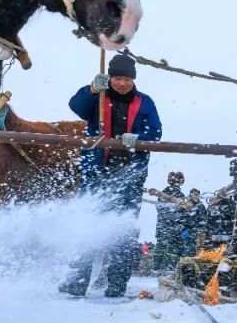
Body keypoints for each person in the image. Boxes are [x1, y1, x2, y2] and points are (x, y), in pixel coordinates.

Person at [60, 54, 162, 298]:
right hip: (96, 173)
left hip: (129, 176)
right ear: (110, 78)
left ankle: (117, 284)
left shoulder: (145, 102)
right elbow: (76, 106)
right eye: (117, 78)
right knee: (86, 227)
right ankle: (77, 283)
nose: (122, 83)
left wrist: (139, 139)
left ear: (133, 79)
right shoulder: (98, 96)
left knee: (124, 233)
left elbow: (155, 131)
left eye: (126, 78)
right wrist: (92, 89)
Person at [153, 172, 187, 272]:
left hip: (162, 224)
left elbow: (159, 208)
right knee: (173, 246)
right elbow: (182, 212)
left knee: (161, 244)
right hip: (173, 225)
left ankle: (157, 266)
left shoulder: (163, 192)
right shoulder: (180, 195)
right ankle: (170, 267)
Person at [182, 188, 207, 256]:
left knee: (199, 250)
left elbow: (204, 219)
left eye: (197, 195)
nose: (196, 196)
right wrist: (184, 229)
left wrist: (203, 230)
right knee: (188, 250)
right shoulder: (186, 206)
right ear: (190, 195)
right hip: (188, 232)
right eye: (194, 194)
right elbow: (182, 218)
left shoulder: (201, 206)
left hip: (199, 232)